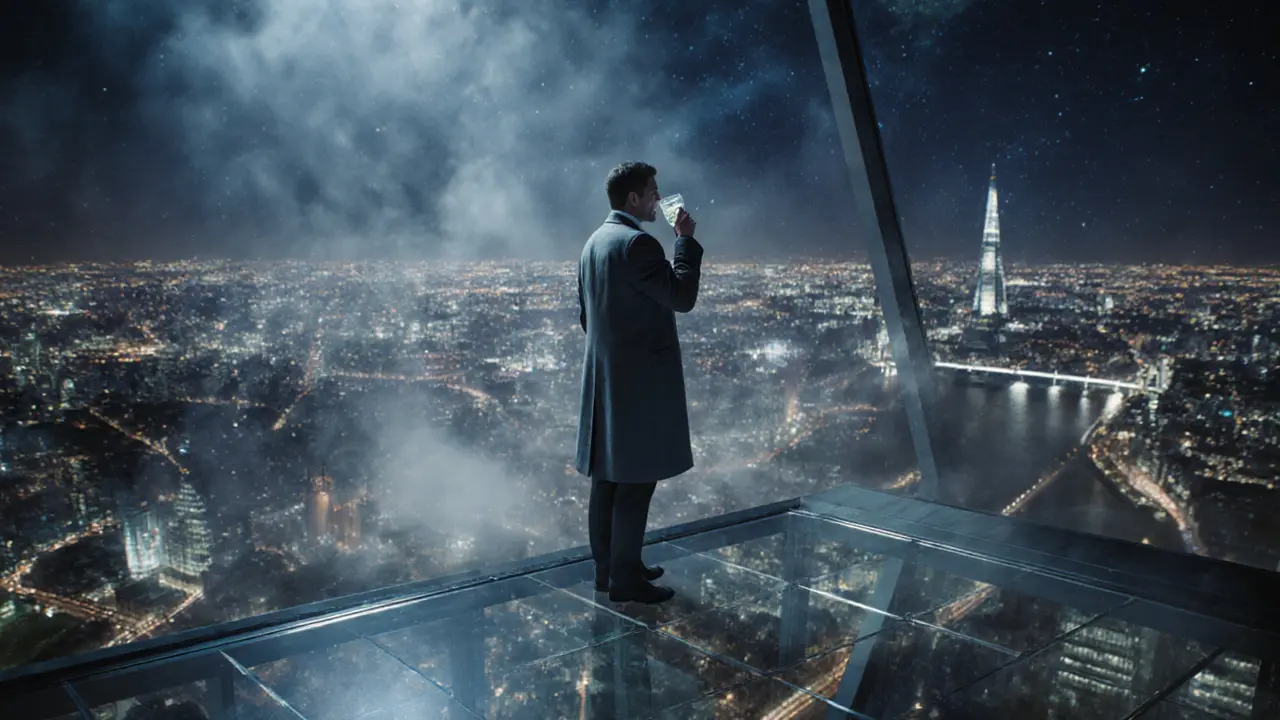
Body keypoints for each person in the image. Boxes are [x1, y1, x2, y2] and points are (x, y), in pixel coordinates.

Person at [575, 161, 703, 604]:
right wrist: (684, 242)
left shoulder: (594, 242)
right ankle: (625, 580)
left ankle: (608, 569)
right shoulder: (638, 244)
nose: (658, 198)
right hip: (638, 384)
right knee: (634, 483)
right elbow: (682, 297)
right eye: (652, 191)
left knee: (607, 481)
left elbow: (586, 318)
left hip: (605, 380)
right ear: (634, 198)